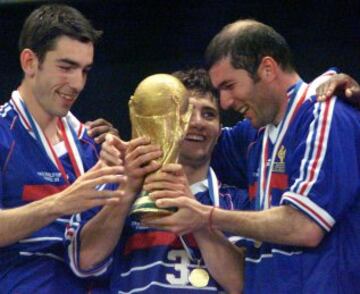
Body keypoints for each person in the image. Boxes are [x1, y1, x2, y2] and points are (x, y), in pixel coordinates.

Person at [145, 20, 360, 293]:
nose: (224, 102)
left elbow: (304, 225)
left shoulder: (323, 113)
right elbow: (189, 142)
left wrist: (206, 216)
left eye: (229, 85)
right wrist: (117, 143)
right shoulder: (255, 134)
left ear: (267, 69)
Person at [66, 68, 249, 293]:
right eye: (186, 112)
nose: (197, 122)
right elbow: (83, 262)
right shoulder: (116, 189)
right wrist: (127, 192)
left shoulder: (236, 202)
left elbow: (243, 284)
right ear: (164, 120)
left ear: (220, 130)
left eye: (209, 114)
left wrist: (200, 220)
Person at [0, 4, 125, 293]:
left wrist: (128, 179)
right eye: (66, 67)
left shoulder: (91, 144)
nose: (78, 83)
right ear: (30, 62)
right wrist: (61, 203)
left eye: (85, 70)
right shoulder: (5, 135)